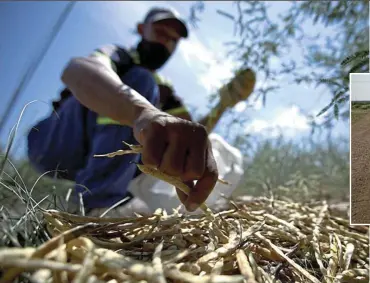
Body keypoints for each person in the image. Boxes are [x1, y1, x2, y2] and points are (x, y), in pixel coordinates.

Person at [27, 7, 256, 216]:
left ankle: (109, 200)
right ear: (141, 29)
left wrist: (222, 106)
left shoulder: (164, 88)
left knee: (195, 145)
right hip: (53, 143)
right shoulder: (120, 56)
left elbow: (187, 137)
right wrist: (142, 113)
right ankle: (95, 207)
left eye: (172, 39)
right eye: (160, 31)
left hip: (93, 156)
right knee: (140, 80)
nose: (165, 41)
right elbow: (76, 71)